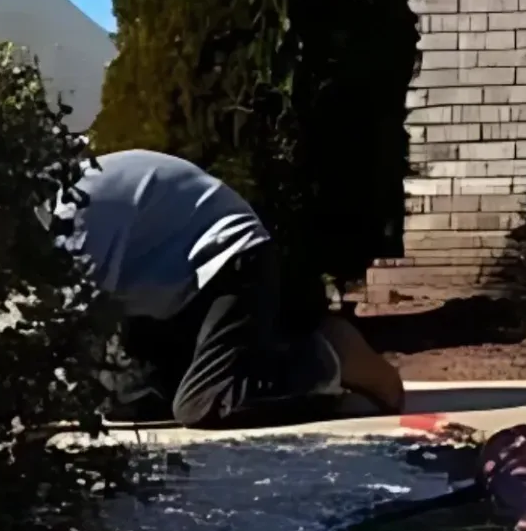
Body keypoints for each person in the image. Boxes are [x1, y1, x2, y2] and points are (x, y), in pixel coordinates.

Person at [67, 149, 405, 429]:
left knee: (204, 404)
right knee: (128, 399)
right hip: (172, 289)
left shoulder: (69, 215)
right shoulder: (47, 204)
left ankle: (330, 358)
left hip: (229, 261)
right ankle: (236, 360)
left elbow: (74, 325)